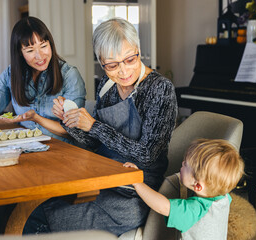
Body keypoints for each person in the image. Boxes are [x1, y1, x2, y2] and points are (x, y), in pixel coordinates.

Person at [23, 18, 178, 236]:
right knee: (36, 210)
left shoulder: (159, 89)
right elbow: (95, 143)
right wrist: (71, 120)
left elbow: (148, 155)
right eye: (112, 65)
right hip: (101, 178)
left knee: (43, 220)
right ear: (101, 61)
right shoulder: (107, 88)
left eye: (130, 59)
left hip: (135, 193)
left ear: (138, 50)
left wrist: (94, 126)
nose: (123, 72)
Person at [124, 138, 245, 240]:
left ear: (197, 186)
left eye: (185, 165)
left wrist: (138, 183)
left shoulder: (194, 210)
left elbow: (163, 206)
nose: (182, 164)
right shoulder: (224, 198)